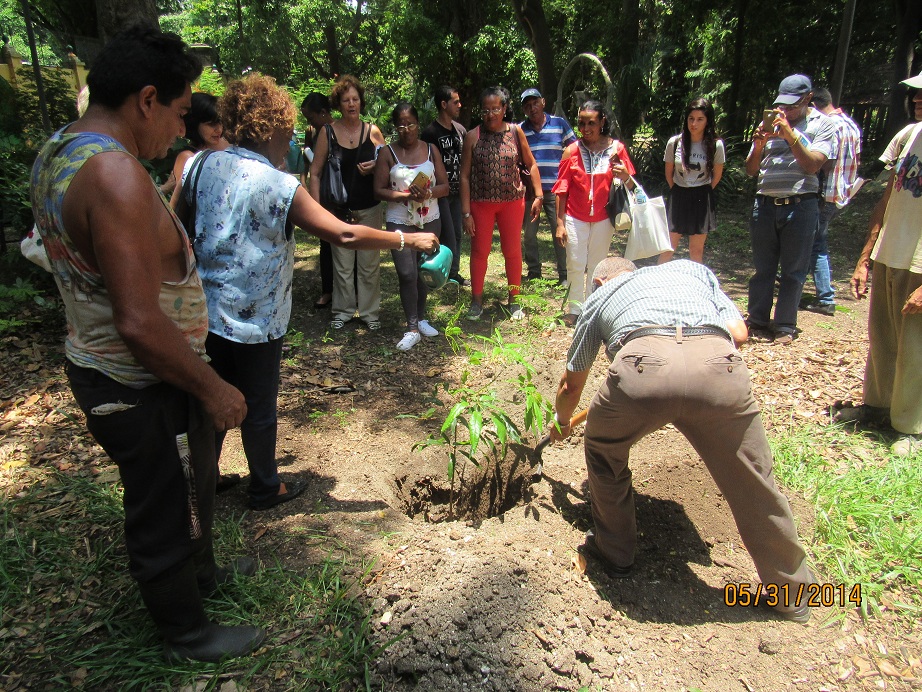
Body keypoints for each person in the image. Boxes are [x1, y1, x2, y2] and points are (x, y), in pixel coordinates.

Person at [29, 25, 265, 663]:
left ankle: (204, 577)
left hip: (119, 365)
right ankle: (185, 632)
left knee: (188, 482)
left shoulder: (61, 149)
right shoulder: (112, 176)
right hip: (132, 379)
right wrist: (212, 384)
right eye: (182, 114)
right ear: (147, 99)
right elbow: (138, 320)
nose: (182, 132)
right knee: (161, 496)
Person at [175, 74, 439, 509]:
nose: (294, 138)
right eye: (289, 129)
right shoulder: (278, 185)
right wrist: (406, 240)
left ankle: (205, 478)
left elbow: (178, 230)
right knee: (259, 403)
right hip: (257, 319)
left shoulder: (199, 167)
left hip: (205, 312)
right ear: (272, 127)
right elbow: (345, 235)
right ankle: (264, 486)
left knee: (210, 394)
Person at [550, 257, 815, 622]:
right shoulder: (693, 270)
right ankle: (794, 593)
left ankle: (615, 554)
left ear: (599, 282)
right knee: (753, 478)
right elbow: (739, 333)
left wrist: (562, 420)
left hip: (644, 369)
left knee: (603, 449)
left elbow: (571, 383)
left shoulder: (601, 295)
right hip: (718, 366)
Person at [840, 74, 922, 457]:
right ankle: (876, 408)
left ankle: (911, 427)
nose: (918, 99)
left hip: (920, 263)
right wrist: (865, 257)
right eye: (916, 93)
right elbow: (888, 197)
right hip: (892, 251)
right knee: (883, 335)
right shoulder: (907, 137)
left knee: (916, 344)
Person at [745, 74, 837, 344]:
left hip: (800, 205)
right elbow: (751, 170)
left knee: (794, 270)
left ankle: (785, 324)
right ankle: (758, 319)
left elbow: (813, 165)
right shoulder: (770, 122)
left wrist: (789, 134)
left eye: (792, 105)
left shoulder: (823, 125)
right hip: (765, 204)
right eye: (781, 105)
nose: (785, 110)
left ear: (808, 98)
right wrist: (759, 145)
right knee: (763, 268)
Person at [308, 75, 387, 330]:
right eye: (345, 100)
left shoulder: (372, 130)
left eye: (355, 99)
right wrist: (317, 209)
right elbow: (316, 172)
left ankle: (369, 313)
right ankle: (342, 311)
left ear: (361, 102)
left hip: (370, 207)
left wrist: (376, 165)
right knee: (341, 264)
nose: (351, 104)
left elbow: (391, 164)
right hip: (338, 210)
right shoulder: (327, 132)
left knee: (369, 264)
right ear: (338, 104)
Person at [459, 86, 542, 321]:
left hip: (512, 202)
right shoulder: (473, 136)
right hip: (481, 203)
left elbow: (531, 164)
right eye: (485, 110)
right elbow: (464, 176)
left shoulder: (516, 132)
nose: (490, 115)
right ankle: (476, 301)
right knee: (479, 251)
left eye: (495, 109)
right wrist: (466, 213)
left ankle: (514, 300)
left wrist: (538, 195)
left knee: (513, 251)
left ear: (504, 108)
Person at [552, 100, 635, 325]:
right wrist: (560, 223)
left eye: (591, 123)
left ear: (602, 122)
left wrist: (625, 174)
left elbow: (631, 184)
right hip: (574, 216)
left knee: (598, 264)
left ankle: (594, 308)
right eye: (581, 123)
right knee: (575, 262)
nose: (586, 128)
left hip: (603, 217)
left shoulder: (616, 149)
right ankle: (575, 309)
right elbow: (562, 189)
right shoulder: (571, 151)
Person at [374, 103, 449, 350]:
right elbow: (378, 189)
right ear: (395, 128)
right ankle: (411, 327)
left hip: (430, 219)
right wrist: (404, 195)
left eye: (411, 124)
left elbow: (445, 187)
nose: (406, 130)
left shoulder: (431, 150)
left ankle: (421, 317)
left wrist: (427, 193)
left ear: (418, 124)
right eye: (401, 125)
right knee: (406, 273)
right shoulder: (387, 153)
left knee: (423, 270)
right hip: (400, 221)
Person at [805, 87, 863, 316]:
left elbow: (825, 162)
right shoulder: (850, 124)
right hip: (843, 192)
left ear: (815, 105)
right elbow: (857, 159)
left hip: (826, 193)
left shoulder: (829, 125)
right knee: (816, 241)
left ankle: (826, 297)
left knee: (816, 244)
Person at [519, 87, 577, 283]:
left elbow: (574, 149)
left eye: (535, 103)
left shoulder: (559, 124)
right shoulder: (520, 130)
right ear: (524, 110)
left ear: (543, 102)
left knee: (559, 232)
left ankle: (564, 274)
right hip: (530, 192)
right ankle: (534, 272)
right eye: (527, 105)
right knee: (529, 235)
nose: (532, 108)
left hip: (556, 190)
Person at [659, 98, 725, 264]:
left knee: (696, 251)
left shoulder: (716, 145)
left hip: (702, 197)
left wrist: (701, 190)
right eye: (691, 118)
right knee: (668, 247)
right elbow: (669, 173)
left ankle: (697, 287)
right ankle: (655, 284)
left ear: (708, 121)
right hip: (678, 194)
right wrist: (680, 189)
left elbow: (716, 175)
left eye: (700, 119)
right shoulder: (674, 143)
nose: (694, 124)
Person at [422, 85, 467, 286]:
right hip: (438, 194)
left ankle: (453, 273)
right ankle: (436, 273)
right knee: (441, 234)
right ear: (443, 104)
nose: (460, 105)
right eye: (455, 101)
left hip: (458, 192)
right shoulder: (430, 133)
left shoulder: (460, 131)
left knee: (456, 233)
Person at [301, 92, 335, 310]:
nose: (309, 122)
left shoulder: (336, 131)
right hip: (323, 191)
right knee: (326, 244)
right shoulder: (313, 132)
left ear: (323, 113)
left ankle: (349, 291)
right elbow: (311, 166)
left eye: (311, 117)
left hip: (339, 192)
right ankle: (328, 290)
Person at [170, 92, 228, 187]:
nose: (219, 129)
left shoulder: (224, 146)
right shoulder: (188, 157)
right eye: (211, 124)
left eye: (220, 122)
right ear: (194, 124)